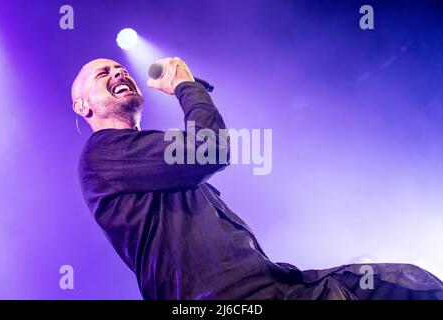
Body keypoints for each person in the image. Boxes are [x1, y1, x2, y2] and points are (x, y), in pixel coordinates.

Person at [73, 57, 443, 300]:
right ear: (82, 105)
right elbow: (210, 148)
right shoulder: (102, 154)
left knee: (405, 285)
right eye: (103, 73)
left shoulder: (147, 159)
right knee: (403, 287)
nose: (119, 73)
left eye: (120, 68)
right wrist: (186, 85)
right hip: (230, 300)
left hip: (271, 287)